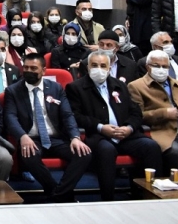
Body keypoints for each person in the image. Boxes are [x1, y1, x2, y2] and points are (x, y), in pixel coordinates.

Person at [66, 50, 163, 201]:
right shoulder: (75, 87)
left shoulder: (120, 85)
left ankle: (146, 195)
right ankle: (108, 199)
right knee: (107, 150)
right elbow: (76, 116)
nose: (99, 69)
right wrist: (101, 127)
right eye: (94, 65)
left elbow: (136, 113)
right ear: (88, 67)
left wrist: (129, 128)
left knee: (151, 146)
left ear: (109, 68)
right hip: (99, 136)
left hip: (125, 135)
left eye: (103, 66)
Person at [3, 53, 92, 202]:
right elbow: (10, 117)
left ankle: (58, 194)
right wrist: (22, 136)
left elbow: (67, 115)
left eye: (33, 68)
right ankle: (59, 194)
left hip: (56, 138)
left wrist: (75, 137)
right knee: (29, 155)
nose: (29, 71)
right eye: (26, 68)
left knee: (84, 154)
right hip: (31, 139)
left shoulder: (56, 88)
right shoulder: (13, 90)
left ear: (43, 70)